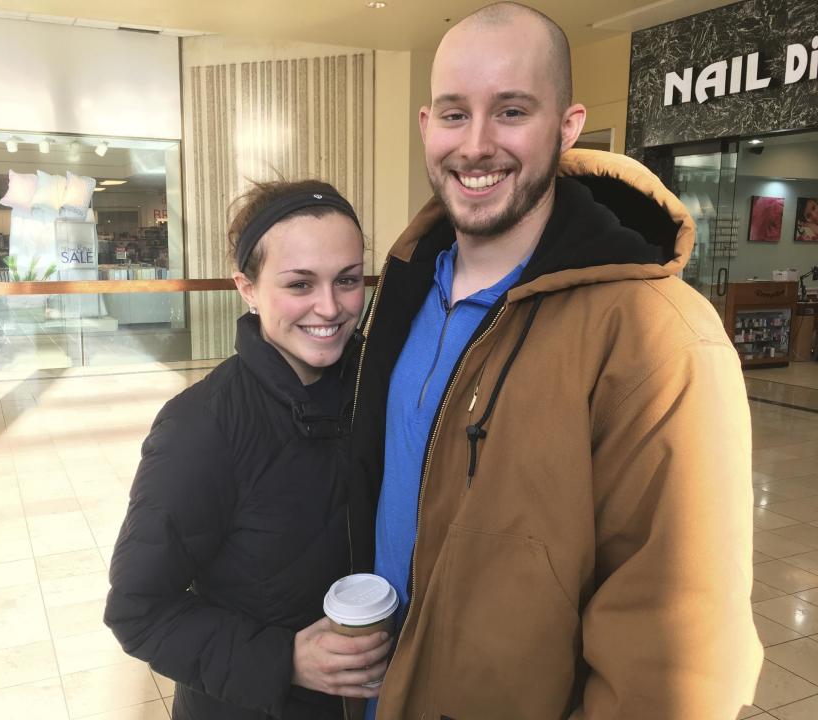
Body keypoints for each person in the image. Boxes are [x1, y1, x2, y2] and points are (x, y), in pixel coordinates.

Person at [349, 4, 763, 719]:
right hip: (381, 693)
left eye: (511, 110)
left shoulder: (657, 334)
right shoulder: (409, 281)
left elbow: (680, 662)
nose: (476, 145)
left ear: (567, 127)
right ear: (425, 125)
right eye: (454, 114)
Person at [105, 179, 391, 719]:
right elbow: (137, 609)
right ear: (248, 287)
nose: (329, 308)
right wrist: (284, 660)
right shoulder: (201, 428)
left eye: (348, 280)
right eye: (299, 284)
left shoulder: (383, 393)